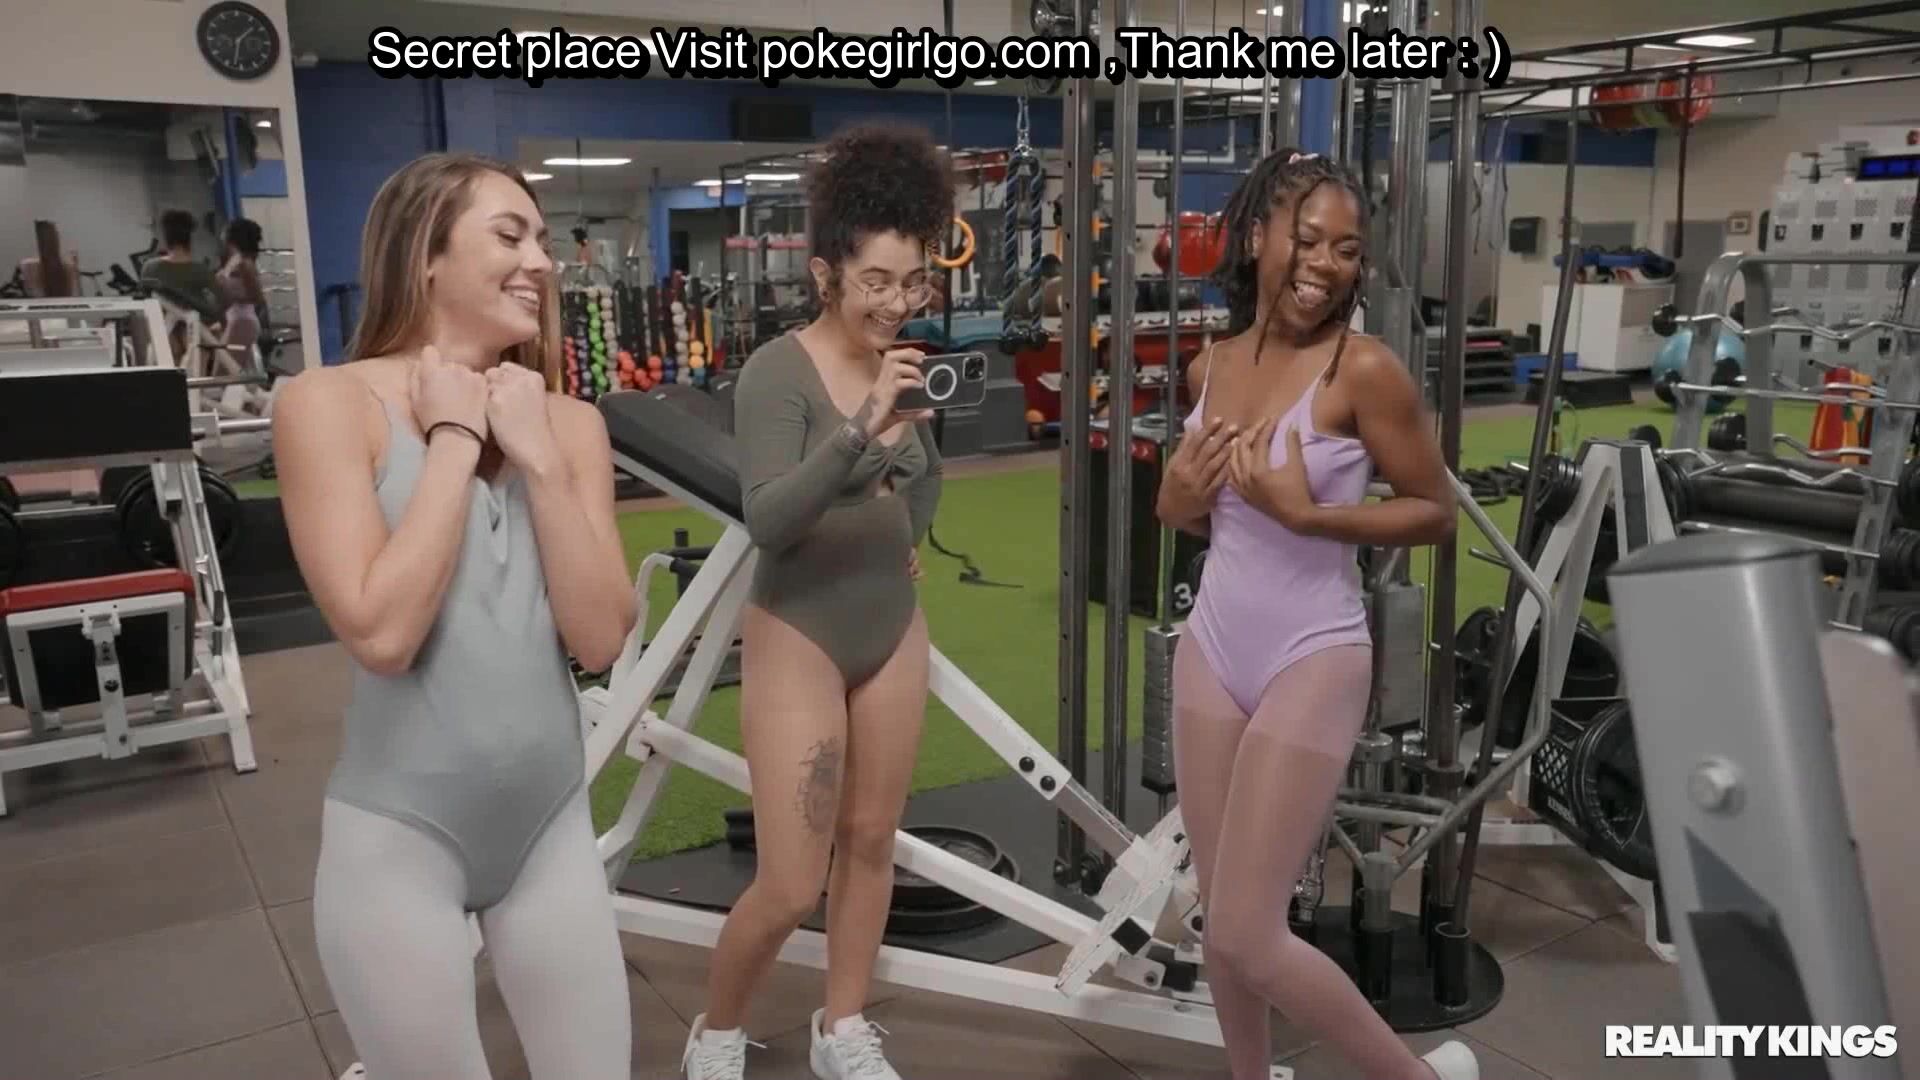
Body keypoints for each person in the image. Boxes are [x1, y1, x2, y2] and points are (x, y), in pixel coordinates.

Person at [272, 152, 637, 1080]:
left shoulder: (571, 425)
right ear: (425, 256)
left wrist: (539, 458)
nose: (541, 262)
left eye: (542, 241)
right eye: (510, 236)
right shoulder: (328, 404)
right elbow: (382, 635)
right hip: (399, 839)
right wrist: (453, 436)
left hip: (549, 825)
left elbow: (600, 639)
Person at [1154, 149, 1478, 1080]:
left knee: (1249, 934)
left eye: (1346, 248)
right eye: (1308, 239)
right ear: (1258, 236)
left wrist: (1310, 515)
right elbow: (1195, 516)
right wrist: (1174, 498)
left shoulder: (1362, 370)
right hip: (1214, 646)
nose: (1325, 264)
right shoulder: (1207, 368)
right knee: (1223, 917)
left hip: (1313, 650)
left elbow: (1434, 513)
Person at [680, 122, 950, 1080]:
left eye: (913, 282)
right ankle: (715, 1033)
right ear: (827, 272)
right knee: (793, 881)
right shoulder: (777, 372)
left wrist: (907, 531)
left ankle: (841, 1029)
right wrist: (863, 430)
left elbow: (925, 476)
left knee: (871, 842)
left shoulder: (900, 364)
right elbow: (770, 519)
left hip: (889, 627)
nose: (896, 302)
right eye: (877, 280)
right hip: (801, 627)